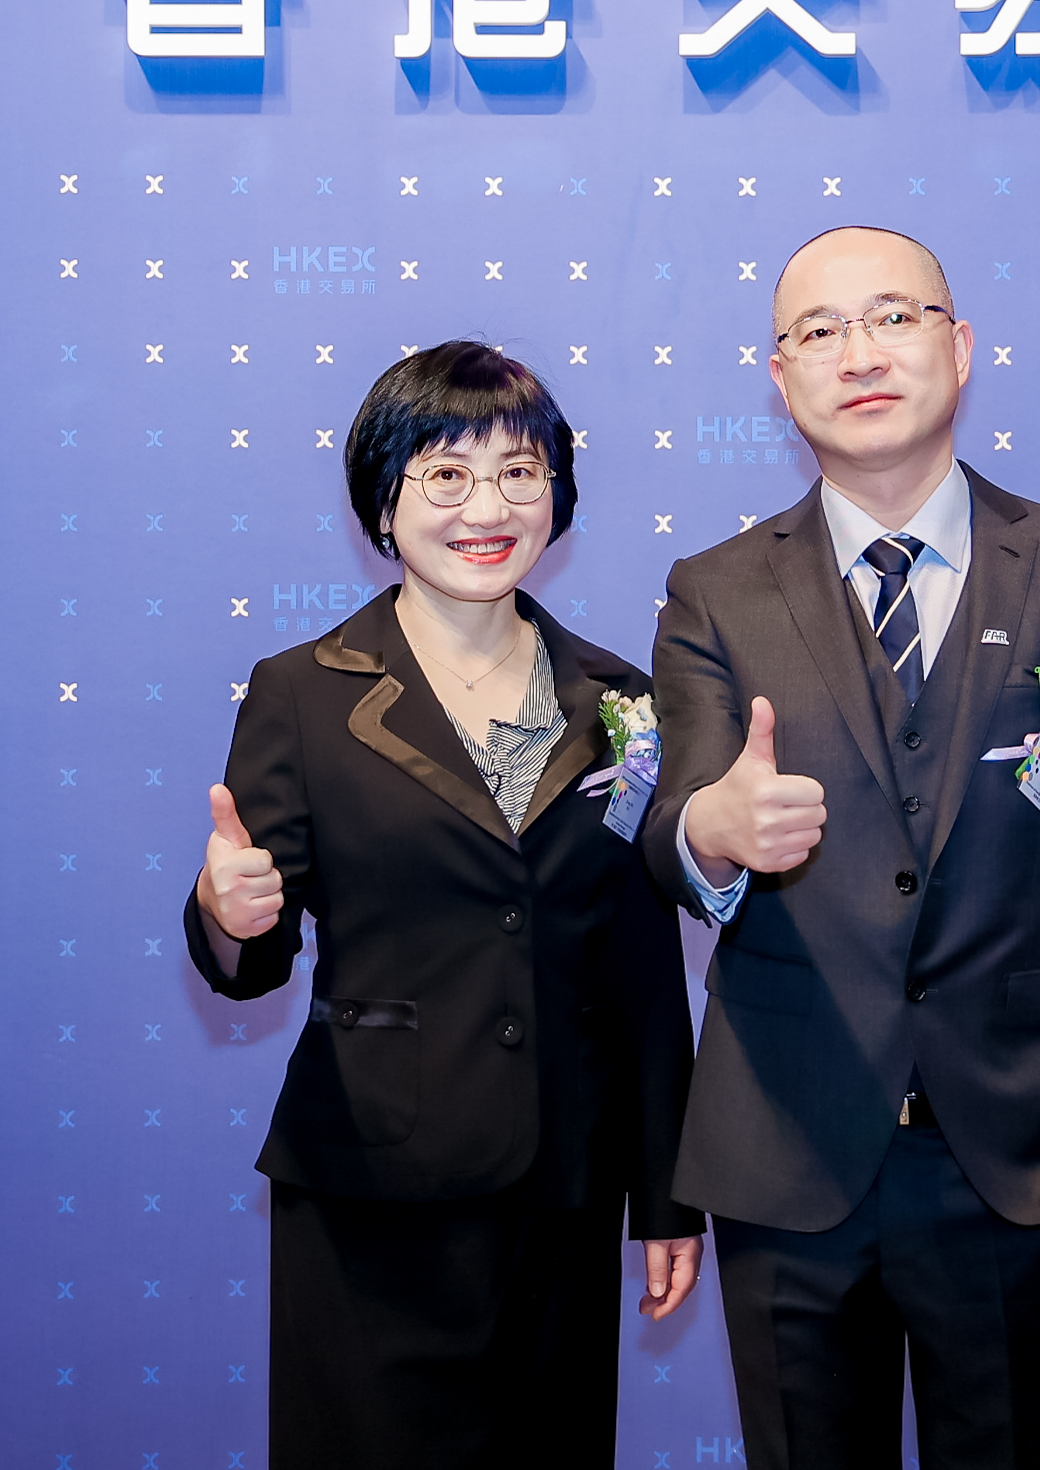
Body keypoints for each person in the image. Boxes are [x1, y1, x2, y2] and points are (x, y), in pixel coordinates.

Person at [641, 227, 1040, 1470]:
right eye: (819, 330)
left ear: (959, 348)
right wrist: (713, 833)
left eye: (893, 316)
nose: (859, 353)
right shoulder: (714, 590)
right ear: (780, 376)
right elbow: (674, 826)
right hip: (785, 1148)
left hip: (1016, 1149)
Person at [187, 341, 706, 1468]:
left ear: (556, 494)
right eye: (446, 474)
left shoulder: (619, 698)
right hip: (371, 1186)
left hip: (564, 1190)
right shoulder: (302, 691)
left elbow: (641, 966)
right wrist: (229, 912)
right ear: (384, 502)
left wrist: (667, 1194)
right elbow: (254, 954)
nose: (487, 507)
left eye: (520, 472)